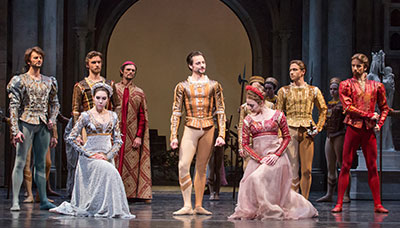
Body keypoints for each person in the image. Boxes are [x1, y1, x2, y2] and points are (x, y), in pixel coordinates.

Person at [229, 84, 318, 220]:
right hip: (259, 158)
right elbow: (246, 144)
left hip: (276, 157)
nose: (249, 108)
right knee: (248, 182)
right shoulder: (248, 120)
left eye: (252, 105)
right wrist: (259, 159)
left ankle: (271, 211)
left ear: (262, 103)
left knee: (256, 178)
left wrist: (276, 155)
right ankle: (262, 207)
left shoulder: (277, 115)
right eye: (248, 105)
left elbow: (287, 137)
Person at [50, 83, 135, 218]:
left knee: (111, 174)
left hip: (105, 156)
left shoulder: (113, 116)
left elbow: (118, 140)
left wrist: (107, 156)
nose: (101, 101)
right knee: (112, 173)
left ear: (108, 100)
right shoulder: (86, 115)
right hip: (89, 159)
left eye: (104, 98)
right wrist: (89, 154)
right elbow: (71, 137)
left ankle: (109, 207)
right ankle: (93, 206)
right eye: (98, 98)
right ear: (93, 98)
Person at [332, 53, 389, 213]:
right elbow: (348, 107)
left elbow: (384, 107)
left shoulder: (376, 86)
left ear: (365, 67)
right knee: (345, 165)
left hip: (369, 129)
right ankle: (339, 202)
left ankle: (377, 203)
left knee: (372, 166)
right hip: (353, 127)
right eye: (353, 66)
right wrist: (369, 115)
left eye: (358, 66)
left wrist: (380, 123)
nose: (355, 69)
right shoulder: (346, 85)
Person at [170, 51, 226, 215]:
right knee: (183, 165)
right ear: (190, 66)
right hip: (190, 126)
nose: (202, 65)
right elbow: (176, 112)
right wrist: (174, 135)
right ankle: (187, 204)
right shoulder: (182, 86)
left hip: (208, 126)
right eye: (198, 63)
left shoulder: (214, 85)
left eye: (203, 62)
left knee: (201, 168)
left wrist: (221, 134)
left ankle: (199, 205)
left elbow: (220, 110)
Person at [7, 46, 60, 211]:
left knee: (41, 163)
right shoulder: (20, 80)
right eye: (35, 58)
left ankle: (43, 199)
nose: (38, 60)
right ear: (29, 60)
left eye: (40, 58)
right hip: (26, 121)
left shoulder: (49, 81)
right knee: (21, 161)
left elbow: (55, 103)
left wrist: (52, 119)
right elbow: (14, 107)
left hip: (43, 124)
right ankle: (16, 200)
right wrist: (15, 130)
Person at [276, 60, 327, 199]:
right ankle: (293, 201)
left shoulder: (313, 90)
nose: (291, 73)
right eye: (290, 70)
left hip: (307, 129)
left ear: (302, 72)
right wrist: (280, 134)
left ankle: (304, 200)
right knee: (292, 169)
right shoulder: (284, 91)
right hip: (290, 129)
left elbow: (323, 109)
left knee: (307, 170)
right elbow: (278, 114)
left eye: (295, 70)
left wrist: (318, 126)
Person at [114, 61, 152, 202]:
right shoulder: (113, 89)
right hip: (116, 134)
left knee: (130, 166)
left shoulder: (139, 93)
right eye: (128, 70)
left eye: (133, 70)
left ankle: (130, 194)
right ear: (122, 71)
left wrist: (138, 136)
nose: (130, 72)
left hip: (131, 135)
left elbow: (142, 116)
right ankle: (113, 192)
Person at [317, 77, 350, 203]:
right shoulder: (329, 104)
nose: (333, 91)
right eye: (331, 89)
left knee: (342, 165)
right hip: (329, 135)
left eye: (335, 89)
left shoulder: (344, 104)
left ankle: (345, 194)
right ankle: (329, 193)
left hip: (340, 135)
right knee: (330, 165)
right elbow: (326, 120)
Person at [71, 51, 120, 125]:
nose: (97, 65)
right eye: (93, 62)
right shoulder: (80, 86)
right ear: (88, 65)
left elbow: (118, 105)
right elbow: (76, 110)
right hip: (88, 124)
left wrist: (113, 121)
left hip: (106, 124)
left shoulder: (109, 84)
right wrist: (78, 131)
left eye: (99, 62)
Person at [237, 76, 272, 171]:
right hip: (250, 141)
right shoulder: (245, 107)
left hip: (265, 141)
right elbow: (241, 126)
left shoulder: (270, 106)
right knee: (248, 168)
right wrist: (241, 145)